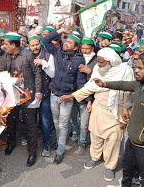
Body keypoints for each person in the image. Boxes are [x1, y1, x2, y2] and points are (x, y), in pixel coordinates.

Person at [93, 51, 144, 187]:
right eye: (136, 67)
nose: (135, 70)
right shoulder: (141, 84)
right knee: (127, 175)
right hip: (133, 143)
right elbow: (125, 85)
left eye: (140, 68)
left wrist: (141, 137)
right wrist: (104, 84)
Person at [71, 47, 134, 181]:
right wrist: (72, 96)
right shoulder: (97, 70)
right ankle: (95, 158)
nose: (98, 65)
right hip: (98, 109)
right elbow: (90, 87)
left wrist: (125, 117)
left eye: (101, 62)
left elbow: (129, 94)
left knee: (113, 141)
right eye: (98, 62)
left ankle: (110, 166)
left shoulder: (125, 71)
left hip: (116, 112)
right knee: (95, 136)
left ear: (111, 62)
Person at [42, 27, 89, 164]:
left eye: (69, 42)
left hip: (66, 98)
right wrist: (59, 30)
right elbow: (45, 40)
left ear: (75, 48)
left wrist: (85, 99)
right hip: (54, 94)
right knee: (56, 122)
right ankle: (60, 142)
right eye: (66, 41)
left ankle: (60, 151)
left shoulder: (79, 60)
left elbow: (80, 81)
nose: (65, 43)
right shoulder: (57, 52)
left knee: (63, 124)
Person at [0, 32, 42, 167]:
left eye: (6, 44)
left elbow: (37, 73)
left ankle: (32, 152)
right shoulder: (4, 57)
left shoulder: (28, 55)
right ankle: (11, 144)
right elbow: (1, 73)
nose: (4, 46)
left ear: (13, 45)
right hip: (11, 95)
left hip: (28, 94)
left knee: (30, 124)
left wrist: (38, 91)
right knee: (10, 121)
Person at [71, 37, 97, 155]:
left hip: (88, 97)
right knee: (73, 118)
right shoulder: (76, 57)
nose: (85, 51)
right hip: (74, 94)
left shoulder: (97, 60)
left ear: (92, 48)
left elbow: (100, 79)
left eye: (88, 48)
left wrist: (90, 71)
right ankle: (76, 134)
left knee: (84, 123)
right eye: (83, 48)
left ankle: (82, 143)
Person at [28, 35, 53, 157]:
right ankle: (30, 140)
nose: (35, 47)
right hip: (30, 94)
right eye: (32, 45)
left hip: (45, 94)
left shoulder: (48, 55)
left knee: (45, 121)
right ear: (29, 46)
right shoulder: (26, 55)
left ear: (40, 44)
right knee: (31, 120)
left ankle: (46, 145)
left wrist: (44, 63)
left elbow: (53, 74)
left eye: (37, 44)